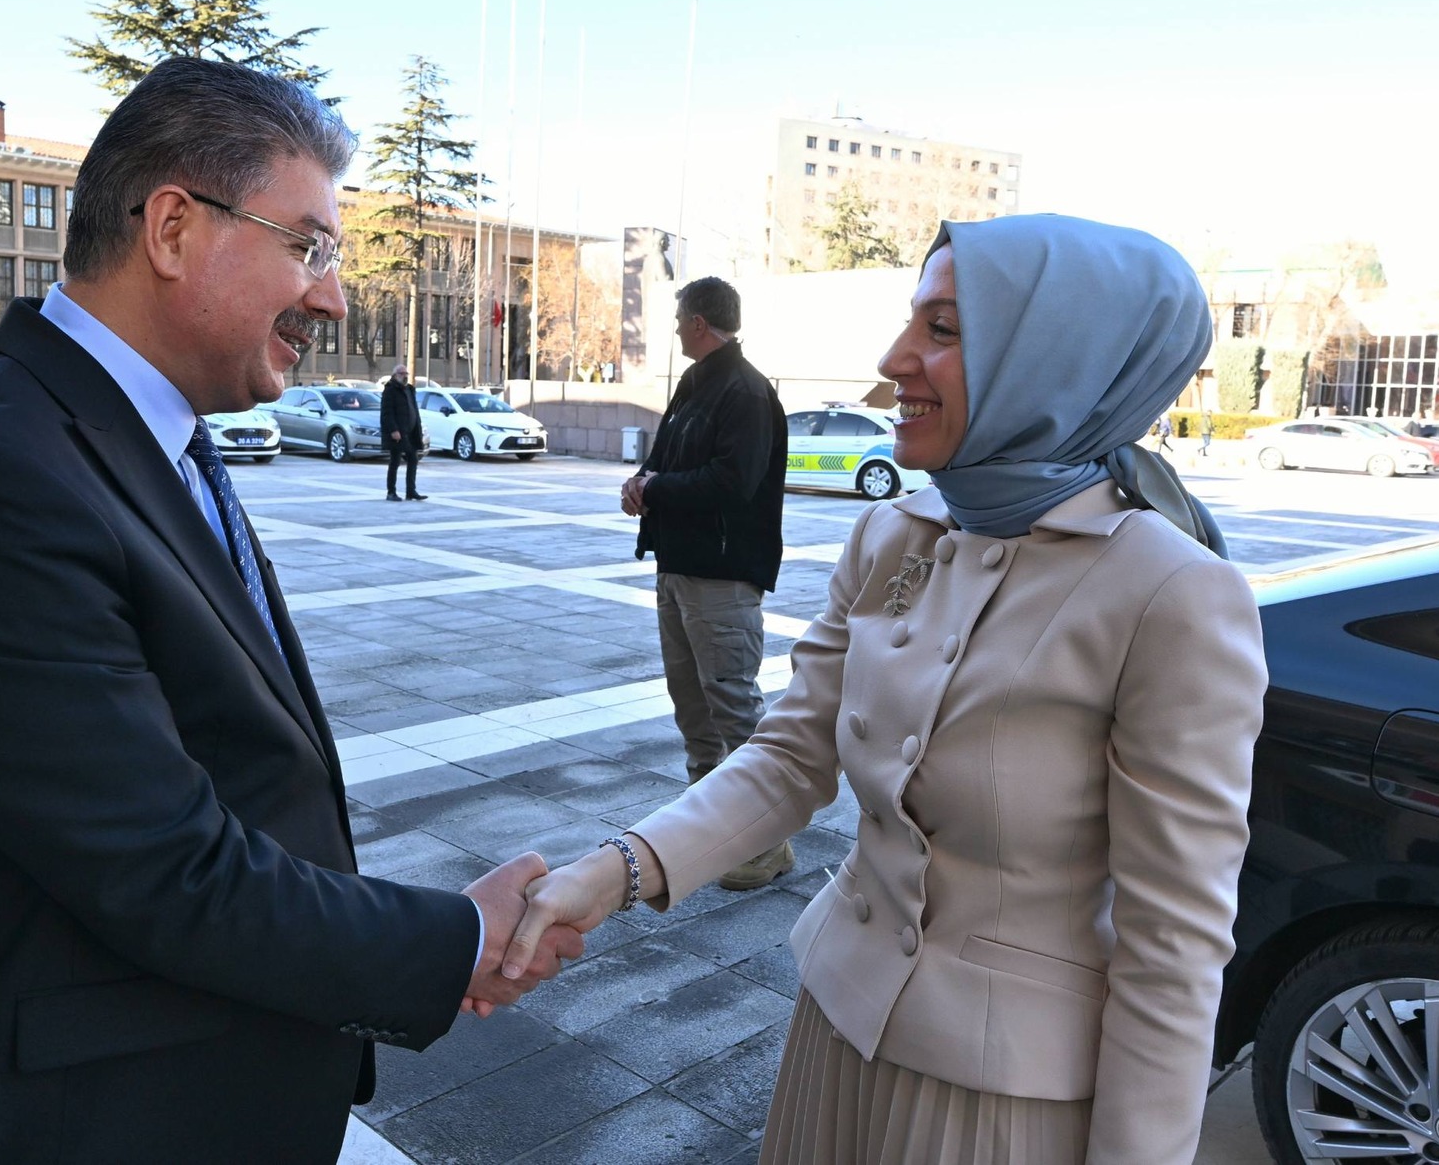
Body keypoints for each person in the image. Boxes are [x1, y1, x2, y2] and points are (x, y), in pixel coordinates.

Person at [0, 58, 581, 1165]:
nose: (332, 296)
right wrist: (454, 937)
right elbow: (165, 870)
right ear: (172, 228)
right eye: (307, 245)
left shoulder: (124, 438)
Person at [516, 215, 1266, 1165]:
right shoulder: (894, 532)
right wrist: (609, 874)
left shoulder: (1173, 592)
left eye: (943, 329)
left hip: (1004, 1104)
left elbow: (1174, 948)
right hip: (836, 1033)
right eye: (913, 320)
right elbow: (790, 756)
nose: (893, 359)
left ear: (1056, 357)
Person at [623, 275, 792, 890]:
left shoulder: (745, 391)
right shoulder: (696, 384)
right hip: (679, 566)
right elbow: (667, 459)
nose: (674, 330)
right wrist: (642, 481)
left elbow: (733, 481)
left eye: (679, 320)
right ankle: (710, 830)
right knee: (693, 707)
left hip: (722, 575)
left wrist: (658, 487)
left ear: (699, 323)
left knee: (734, 709)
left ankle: (767, 842)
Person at [381, 362, 426, 501]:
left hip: (410, 432)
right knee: (395, 462)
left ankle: (411, 491)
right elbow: (387, 413)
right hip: (398, 433)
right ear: (395, 375)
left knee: (413, 459)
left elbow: (413, 409)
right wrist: (393, 430)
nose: (405, 376)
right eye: (401, 373)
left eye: (406, 373)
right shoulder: (390, 390)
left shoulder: (409, 389)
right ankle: (391, 492)